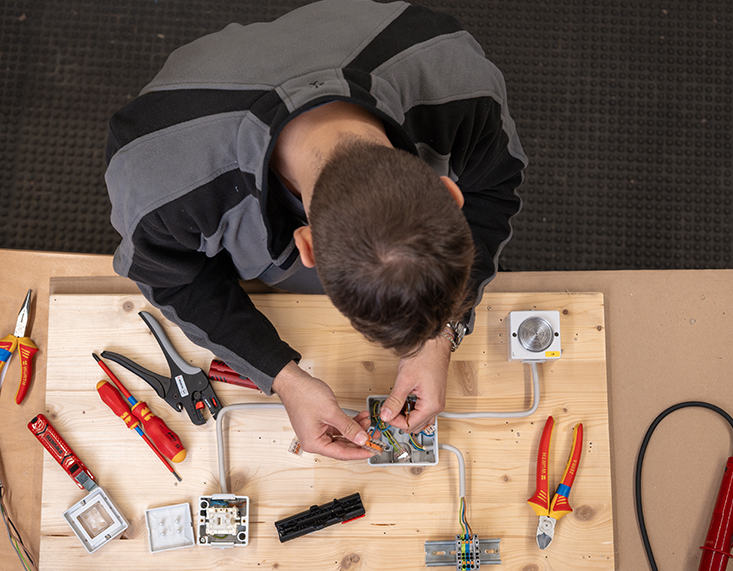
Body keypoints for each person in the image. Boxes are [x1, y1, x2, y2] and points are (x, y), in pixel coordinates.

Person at [105, 0, 526, 460]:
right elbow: (172, 277)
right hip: (190, 121)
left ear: (449, 192)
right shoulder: (159, 182)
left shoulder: (455, 75)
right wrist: (279, 375)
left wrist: (442, 335)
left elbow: (494, 187)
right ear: (304, 243)